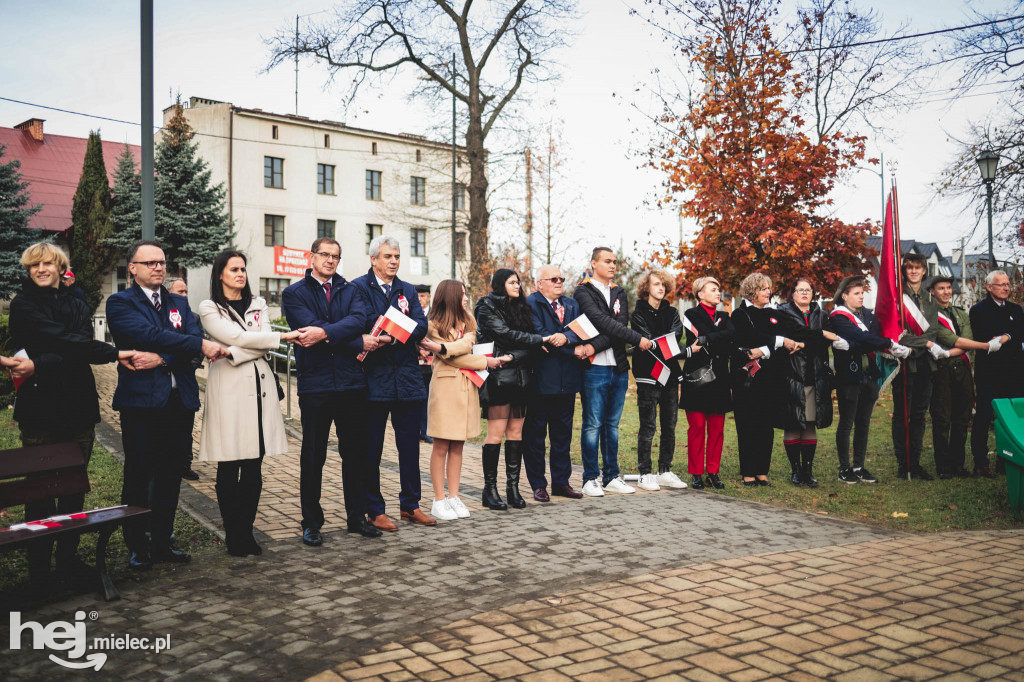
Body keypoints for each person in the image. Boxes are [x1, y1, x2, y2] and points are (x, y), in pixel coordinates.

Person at [9, 242, 136, 590]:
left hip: (78, 409)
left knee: (73, 489)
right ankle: (39, 569)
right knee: (39, 494)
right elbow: (68, 342)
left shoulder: (76, 303)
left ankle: (67, 559)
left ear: (60, 266)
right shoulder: (23, 305)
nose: (41, 269)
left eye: (48, 263)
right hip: (40, 412)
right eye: (35, 265)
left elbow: (74, 345)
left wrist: (44, 360)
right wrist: (110, 352)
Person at [106, 240, 224, 569]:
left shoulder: (179, 304)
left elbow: (180, 344)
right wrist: (193, 344)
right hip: (141, 404)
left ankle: (161, 540)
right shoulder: (119, 303)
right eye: (150, 263)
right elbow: (142, 334)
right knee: (139, 474)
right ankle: (137, 545)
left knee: (171, 473)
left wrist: (161, 357)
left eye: (162, 262)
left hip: (178, 401)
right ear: (132, 268)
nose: (159, 267)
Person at [198, 251, 300, 555]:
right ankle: (233, 533)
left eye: (243, 268)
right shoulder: (209, 307)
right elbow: (236, 336)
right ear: (220, 274)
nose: (240, 274)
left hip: (259, 388)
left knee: (254, 464)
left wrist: (233, 353)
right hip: (229, 391)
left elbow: (248, 341)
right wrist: (263, 343)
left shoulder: (258, 304)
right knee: (229, 463)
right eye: (234, 269)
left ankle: (247, 532)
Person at [282, 237, 381, 545]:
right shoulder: (293, 293)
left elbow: (357, 320)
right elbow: (306, 329)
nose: (329, 260)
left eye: (335, 256)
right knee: (313, 455)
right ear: (311, 257)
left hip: (351, 384)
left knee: (355, 455)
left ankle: (356, 517)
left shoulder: (351, 290)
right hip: (316, 386)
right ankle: (311, 523)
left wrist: (325, 332)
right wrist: (352, 339)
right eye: (324, 254)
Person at [353, 235, 436, 529]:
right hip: (374, 382)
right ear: (373, 259)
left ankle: (410, 505)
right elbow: (363, 322)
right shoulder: (358, 288)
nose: (393, 262)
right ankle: (375, 509)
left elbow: (421, 325)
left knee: (410, 449)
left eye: (397, 257)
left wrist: (391, 333)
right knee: (372, 450)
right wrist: (396, 330)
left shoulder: (408, 290)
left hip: (408, 381)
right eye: (388, 256)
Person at [418, 280, 504, 520]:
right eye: (463, 295)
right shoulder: (431, 324)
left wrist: (448, 347)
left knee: (458, 444)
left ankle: (453, 496)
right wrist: (483, 361)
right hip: (445, 389)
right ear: (451, 296)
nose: (466, 298)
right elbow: (452, 357)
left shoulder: (469, 321)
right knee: (441, 445)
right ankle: (438, 499)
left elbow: (464, 345)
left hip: (467, 388)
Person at [475, 269, 560, 510]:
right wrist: (535, 342)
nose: (517, 285)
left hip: (522, 378)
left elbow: (526, 342)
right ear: (500, 284)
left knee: (516, 433)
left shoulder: (522, 307)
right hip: (500, 379)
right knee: (496, 433)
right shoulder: (486, 307)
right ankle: (489, 490)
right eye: (512, 282)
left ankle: (512, 488)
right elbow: (504, 334)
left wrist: (514, 354)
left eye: (518, 282)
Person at [574, 247, 653, 497]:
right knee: (592, 424)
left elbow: (619, 326)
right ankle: (589, 478)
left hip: (618, 368)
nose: (612, 265)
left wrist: (592, 345)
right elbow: (601, 321)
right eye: (607, 261)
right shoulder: (582, 292)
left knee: (612, 425)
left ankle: (610, 476)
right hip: (594, 369)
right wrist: (636, 338)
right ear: (593, 263)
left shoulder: (619, 292)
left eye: (615, 262)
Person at [829, 276, 910, 484]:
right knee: (847, 423)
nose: (861, 297)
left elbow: (867, 341)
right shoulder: (838, 316)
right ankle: (844, 468)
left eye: (862, 293)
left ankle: (859, 466)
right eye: (856, 294)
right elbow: (862, 337)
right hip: (849, 375)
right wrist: (885, 343)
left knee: (863, 423)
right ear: (845, 296)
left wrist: (852, 345)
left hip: (869, 375)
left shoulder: (870, 317)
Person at [928, 275, 1008, 479]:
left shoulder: (960, 313)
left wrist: (949, 351)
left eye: (948, 288)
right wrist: (985, 346)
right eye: (941, 288)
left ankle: (958, 464)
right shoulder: (929, 316)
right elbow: (951, 339)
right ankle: (944, 466)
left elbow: (966, 339)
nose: (946, 292)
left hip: (961, 368)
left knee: (962, 417)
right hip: (942, 369)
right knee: (943, 418)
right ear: (932, 292)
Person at [523, 265, 589, 502]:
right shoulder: (530, 303)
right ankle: (538, 484)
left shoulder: (572, 304)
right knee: (536, 436)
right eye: (554, 279)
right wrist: (571, 348)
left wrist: (567, 338)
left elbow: (581, 330)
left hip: (568, 381)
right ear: (540, 284)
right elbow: (538, 334)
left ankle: (561, 483)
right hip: (540, 380)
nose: (559, 282)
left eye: (561, 278)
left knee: (562, 436)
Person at [730, 272, 801, 487]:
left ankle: (762, 471)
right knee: (747, 425)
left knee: (766, 426)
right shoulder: (740, 314)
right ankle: (748, 472)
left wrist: (765, 350)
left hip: (771, 379)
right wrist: (777, 342)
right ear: (752, 292)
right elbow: (746, 339)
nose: (768, 292)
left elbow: (783, 347)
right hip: (747, 379)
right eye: (763, 289)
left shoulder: (775, 314)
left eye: (769, 288)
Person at [629, 270, 692, 491]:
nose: (661, 288)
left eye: (663, 284)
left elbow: (675, 335)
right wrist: (659, 343)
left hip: (671, 376)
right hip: (648, 375)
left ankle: (665, 470)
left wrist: (657, 343)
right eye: (656, 284)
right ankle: (645, 473)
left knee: (670, 425)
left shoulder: (672, 312)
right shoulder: (637, 314)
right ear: (646, 287)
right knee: (648, 426)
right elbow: (645, 340)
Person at [775, 278, 840, 487]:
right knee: (793, 423)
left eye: (808, 290)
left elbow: (827, 343)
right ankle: (795, 470)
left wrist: (804, 343)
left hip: (814, 376)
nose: (804, 293)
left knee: (810, 422)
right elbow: (790, 334)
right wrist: (818, 335)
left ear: (813, 293)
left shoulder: (821, 314)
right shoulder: (782, 312)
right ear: (792, 293)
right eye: (800, 290)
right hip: (790, 376)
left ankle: (808, 470)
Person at [680, 276, 733, 490]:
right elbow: (698, 336)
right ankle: (695, 473)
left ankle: (713, 471)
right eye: (713, 289)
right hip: (697, 378)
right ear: (700, 294)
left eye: (718, 289)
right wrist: (716, 338)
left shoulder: (725, 316)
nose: (718, 293)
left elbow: (730, 337)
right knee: (697, 427)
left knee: (717, 428)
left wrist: (710, 340)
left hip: (720, 378)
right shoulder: (690, 314)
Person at [969, 270, 1024, 477]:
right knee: (984, 417)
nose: (1006, 288)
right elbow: (986, 339)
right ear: (989, 287)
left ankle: (1006, 459)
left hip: (1015, 373)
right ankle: (980, 463)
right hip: (989, 373)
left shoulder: (1016, 310)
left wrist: (1007, 336)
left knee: (1010, 419)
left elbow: (1019, 335)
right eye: (1001, 284)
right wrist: (1010, 339)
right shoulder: (979, 310)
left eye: (1008, 284)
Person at [892, 253, 940, 480]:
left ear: (924, 271)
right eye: (909, 268)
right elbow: (899, 335)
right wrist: (925, 343)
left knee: (919, 415)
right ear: (904, 271)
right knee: (903, 415)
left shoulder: (931, 300)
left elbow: (932, 332)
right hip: (904, 366)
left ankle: (916, 462)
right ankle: (904, 464)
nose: (913, 271)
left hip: (926, 365)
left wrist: (921, 344)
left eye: (917, 268)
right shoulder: (897, 299)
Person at [165, 276, 202, 481]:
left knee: (185, 429)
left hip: (186, 383)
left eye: (186, 291)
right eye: (180, 292)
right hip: (162, 386)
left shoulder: (193, 318)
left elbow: (198, 347)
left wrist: (189, 364)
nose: (185, 296)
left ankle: (185, 464)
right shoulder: (160, 317)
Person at [416, 284, 434, 444]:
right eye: (418, 296)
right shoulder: (411, 313)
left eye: (423, 296)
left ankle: (425, 430)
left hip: (431, 364)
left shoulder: (435, 315)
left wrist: (430, 349)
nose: (420, 299)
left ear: (428, 297)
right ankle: (416, 430)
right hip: (415, 363)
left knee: (428, 398)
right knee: (416, 398)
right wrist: (418, 349)